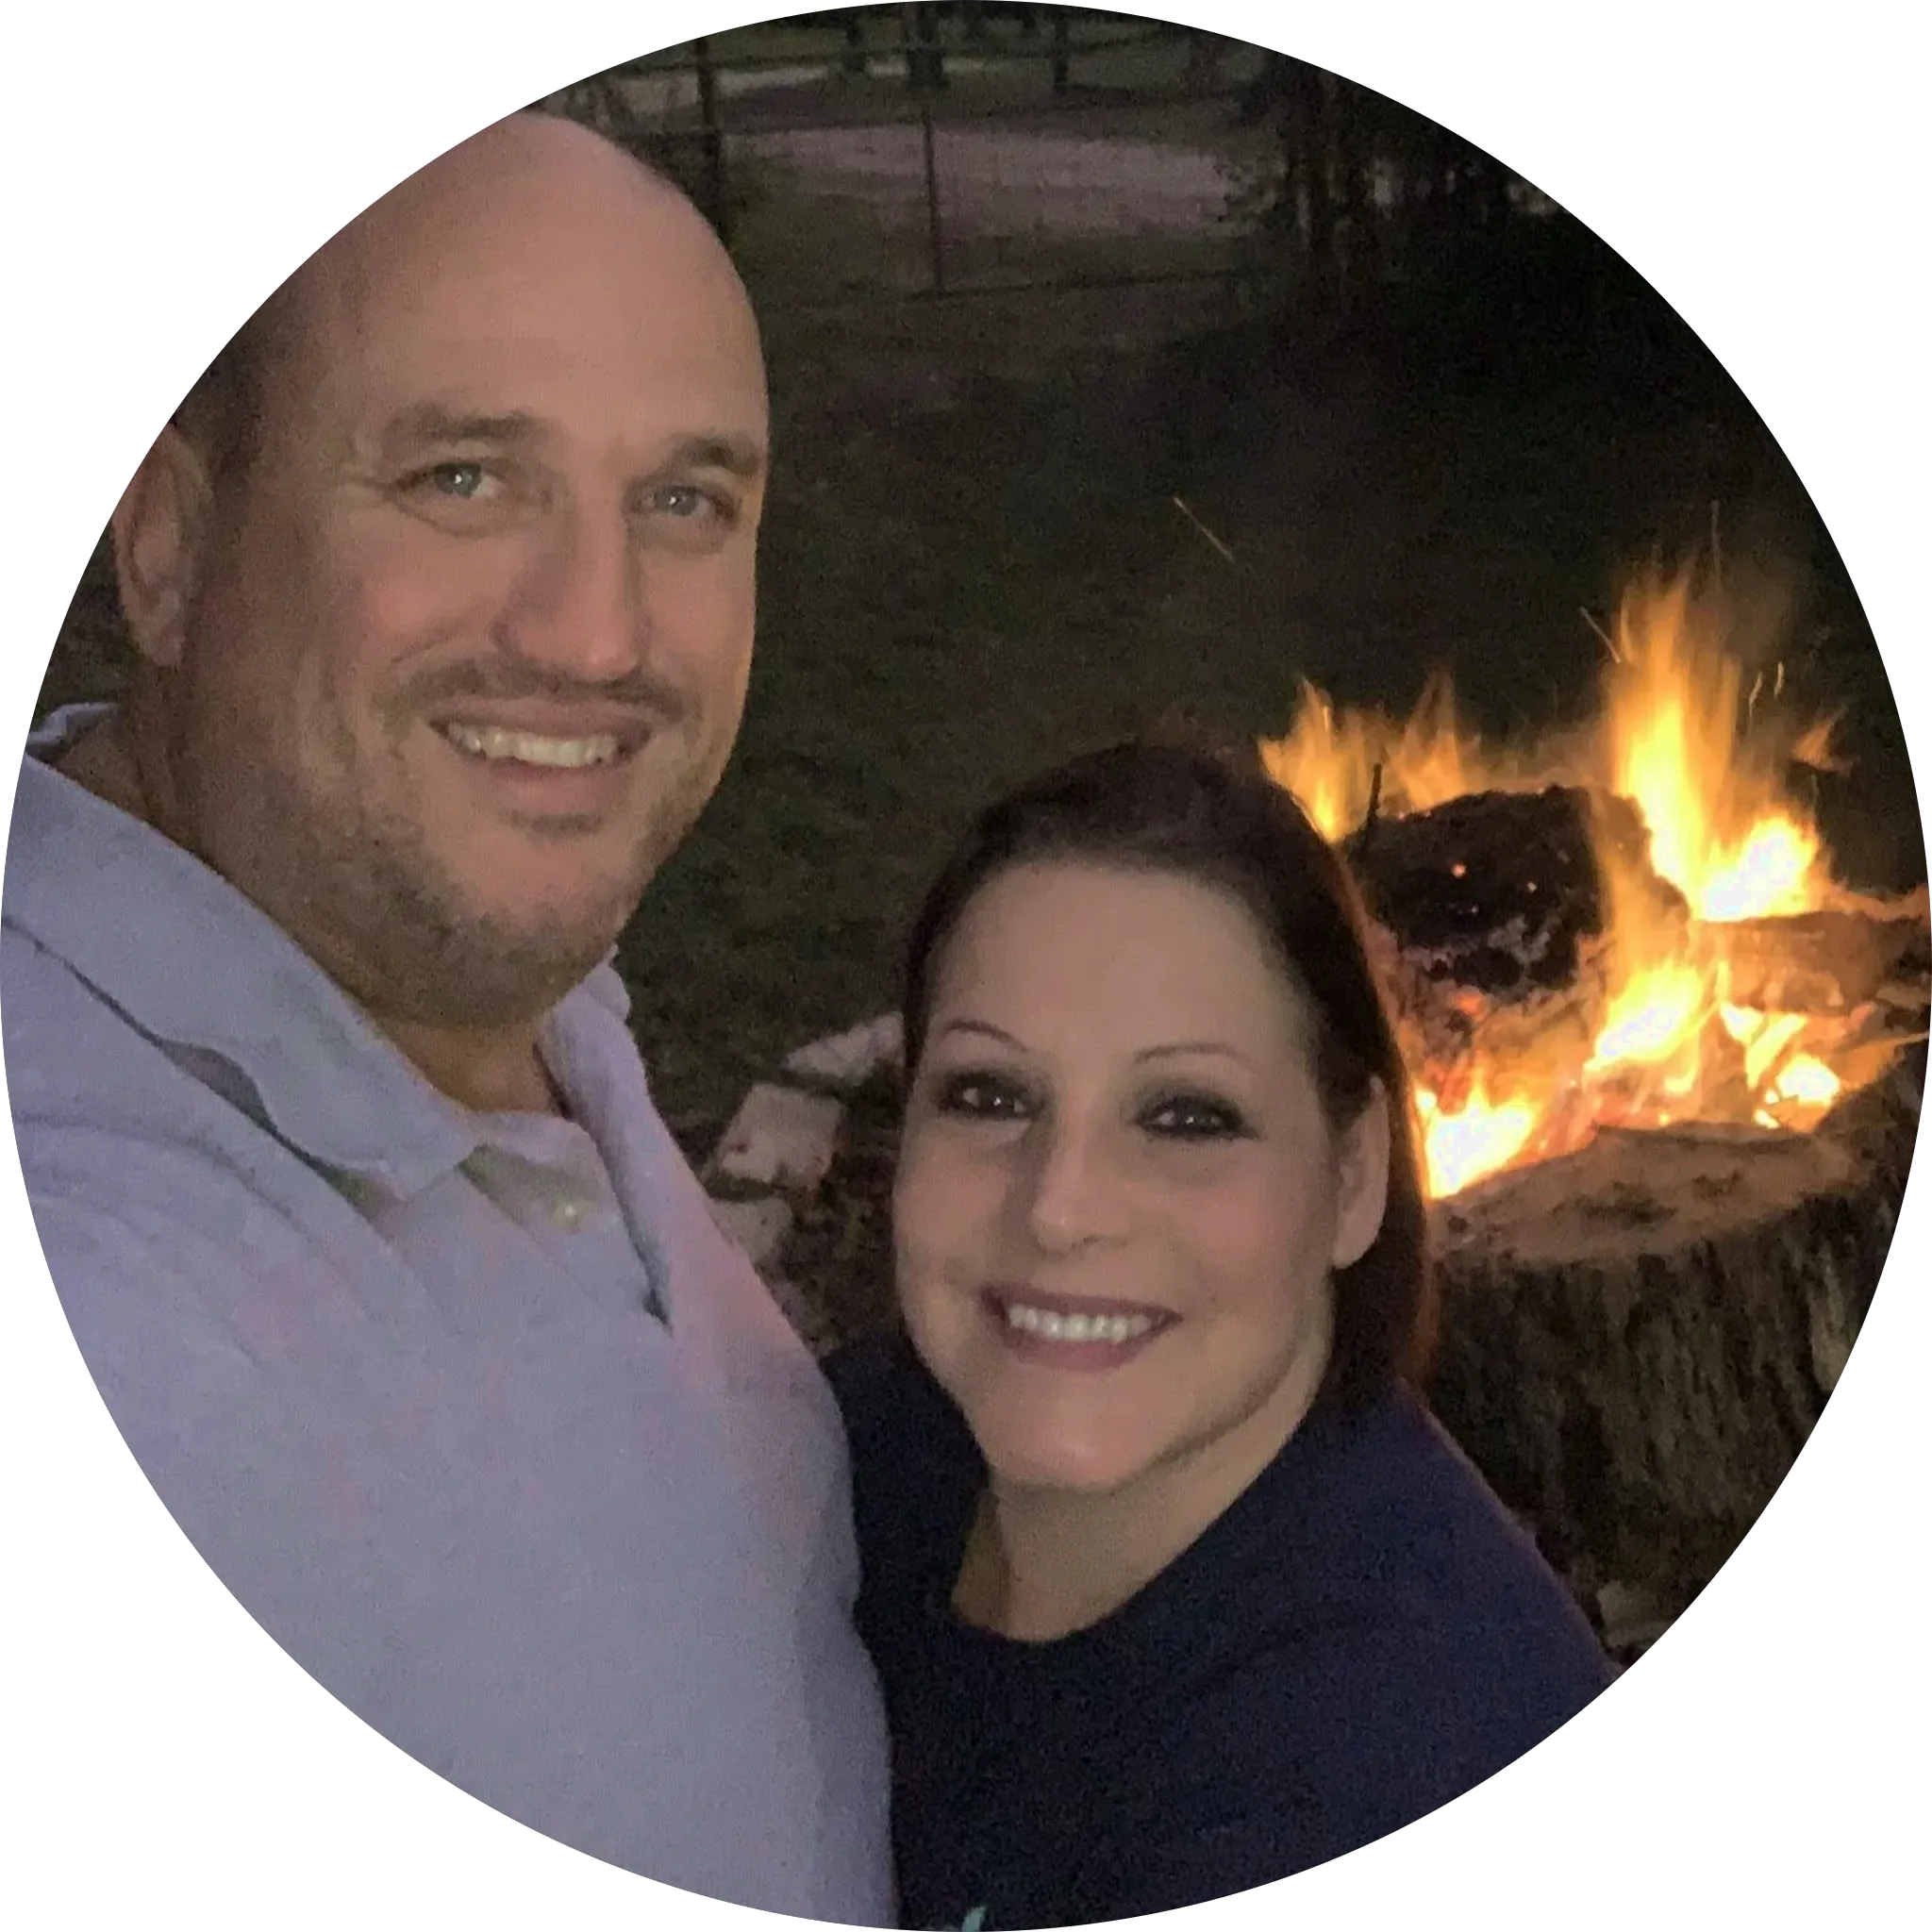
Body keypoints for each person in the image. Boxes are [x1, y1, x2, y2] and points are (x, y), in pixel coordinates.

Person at [3, 113, 893, 1923]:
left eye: (684, 501)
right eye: (463, 476)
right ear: (165, 547)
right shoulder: (135, 1302)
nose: (594, 636)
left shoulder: (487, 962)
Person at [822, 739, 1618, 1930]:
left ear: (1350, 1176)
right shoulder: (842, 1456)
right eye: (988, 1094)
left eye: (1186, 1116)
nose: (1059, 1207)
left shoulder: (1388, 1753)